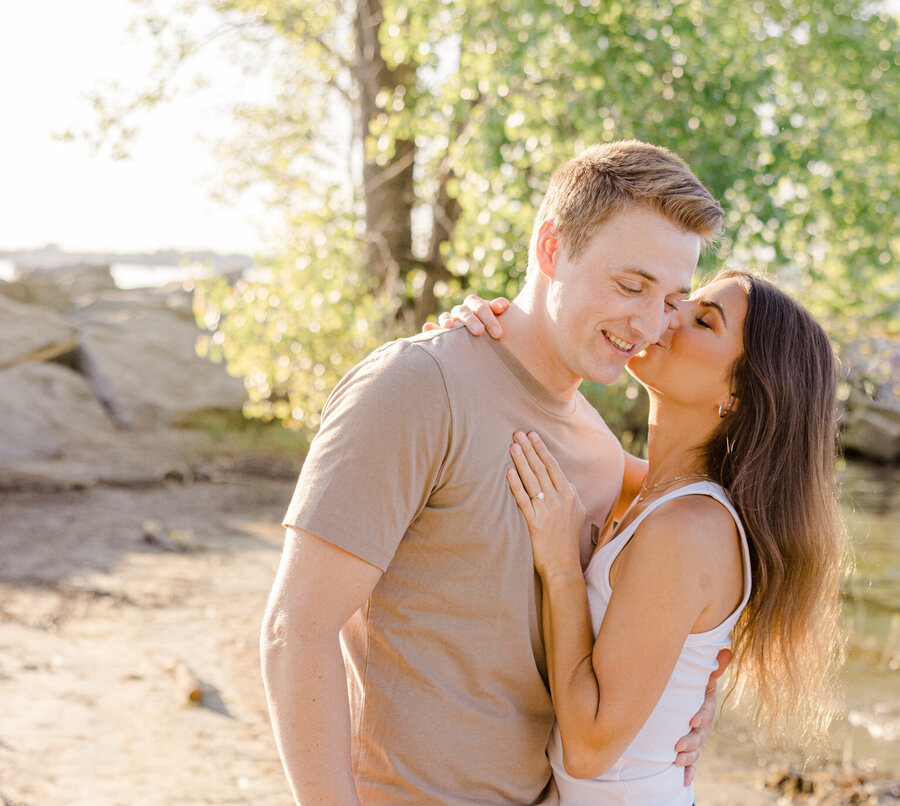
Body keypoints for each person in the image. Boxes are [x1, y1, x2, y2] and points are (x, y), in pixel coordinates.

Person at [259, 140, 726, 805]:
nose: (650, 324)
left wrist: (700, 694)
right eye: (630, 285)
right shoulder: (415, 386)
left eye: (672, 299)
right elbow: (294, 631)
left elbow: (712, 555)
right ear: (550, 250)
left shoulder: (596, 443)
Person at [440, 269, 848, 803]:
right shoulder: (647, 488)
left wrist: (561, 566)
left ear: (739, 394)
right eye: (683, 300)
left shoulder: (689, 528)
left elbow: (589, 750)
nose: (667, 314)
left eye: (703, 320)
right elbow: (540, 400)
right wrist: (476, 332)